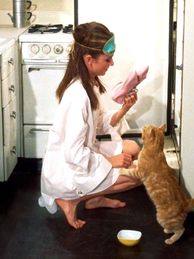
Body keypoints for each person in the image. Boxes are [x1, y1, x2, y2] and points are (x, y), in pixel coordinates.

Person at [39, 21, 141, 229]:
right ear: (89, 59)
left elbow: (100, 124)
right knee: (137, 176)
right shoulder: (77, 96)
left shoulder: (88, 83)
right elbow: (73, 154)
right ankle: (71, 199)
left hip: (81, 153)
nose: (111, 64)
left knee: (133, 148)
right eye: (107, 59)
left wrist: (124, 109)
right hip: (68, 168)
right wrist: (111, 160)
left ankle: (94, 199)